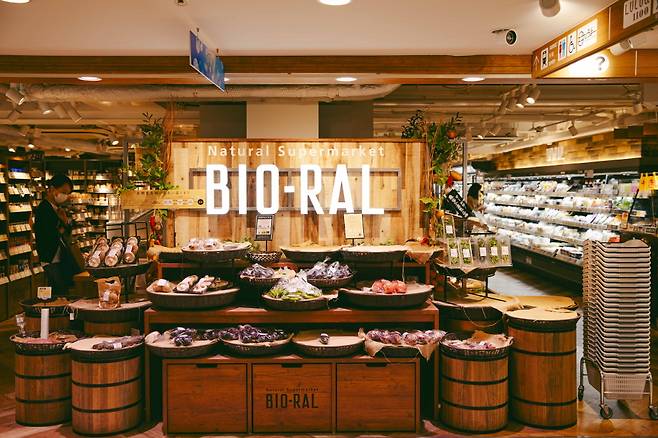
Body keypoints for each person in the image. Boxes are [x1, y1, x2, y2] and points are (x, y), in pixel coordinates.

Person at [34, 174, 78, 295]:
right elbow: (47, 233)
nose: (65, 196)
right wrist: (62, 226)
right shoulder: (44, 208)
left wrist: (65, 222)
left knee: (62, 291)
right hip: (50, 257)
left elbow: (66, 233)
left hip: (59, 258)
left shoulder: (58, 209)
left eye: (67, 193)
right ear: (53, 189)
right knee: (59, 292)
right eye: (63, 192)